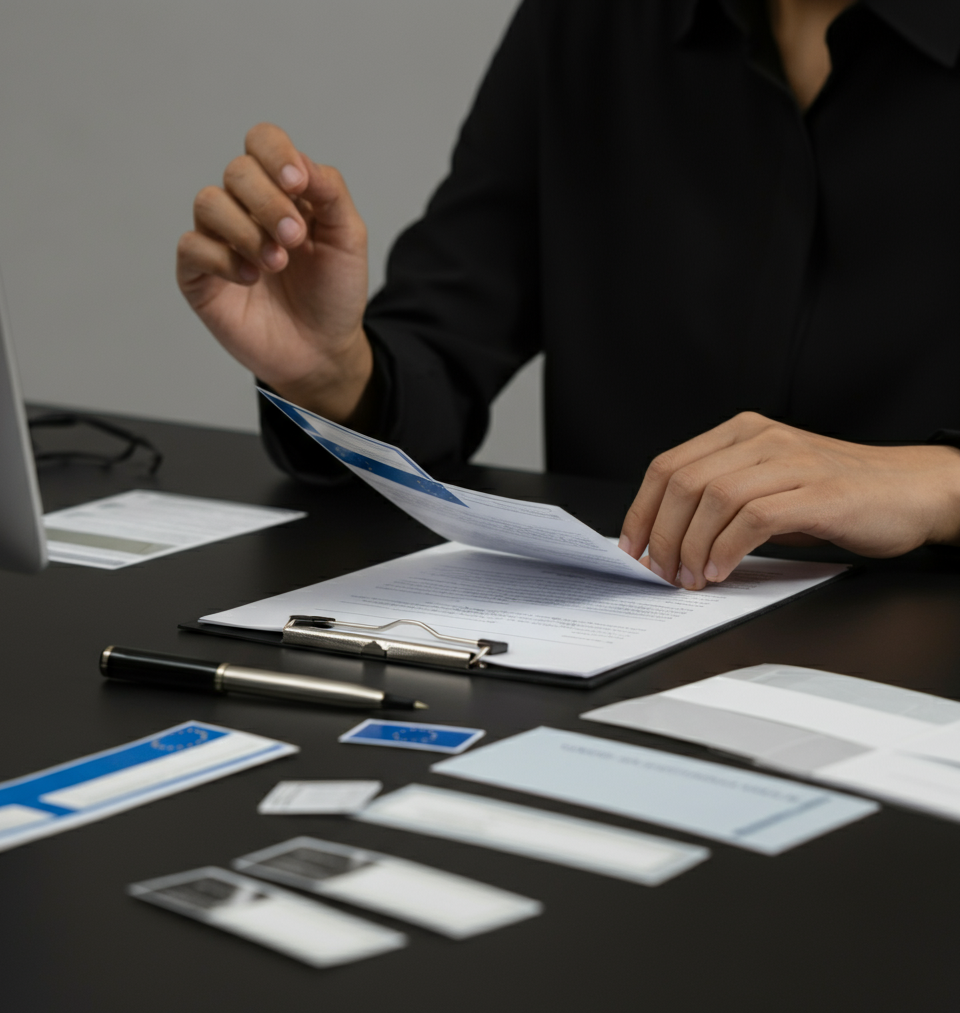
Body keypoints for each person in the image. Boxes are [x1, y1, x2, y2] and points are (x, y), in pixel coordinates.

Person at [176, 0, 960, 590]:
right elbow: (446, 341)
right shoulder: (590, 19)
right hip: (628, 643)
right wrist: (330, 373)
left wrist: (939, 484)